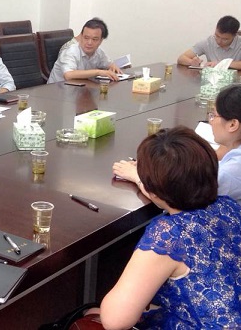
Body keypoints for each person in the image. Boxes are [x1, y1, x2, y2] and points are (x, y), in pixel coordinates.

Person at [100, 127, 241, 329]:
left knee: (94, 313)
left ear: (152, 191)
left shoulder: (170, 235)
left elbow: (115, 321)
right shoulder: (228, 207)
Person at [113, 84, 241, 205]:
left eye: (213, 115)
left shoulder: (230, 171)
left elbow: (174, 199)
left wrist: (136, 175)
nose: (210, 121)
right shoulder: (233, 147)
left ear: (232, 124)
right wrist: (158, 166)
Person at [47, 18, 122, 83]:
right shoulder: (71, 51)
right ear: (81, 36)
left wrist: (113, 66)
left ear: (101, 41)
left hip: (80, 89)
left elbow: (109, 64)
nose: (89, 42)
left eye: (94, 39)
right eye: (86, 38)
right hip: (57, 90)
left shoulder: (99, 52)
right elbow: (68, 75)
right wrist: (98, 72)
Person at [177, 15, 241, 69]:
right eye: (217, 36)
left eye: (225, 39)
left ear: (235, 35)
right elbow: (181, 58)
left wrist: (222, 64)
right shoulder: (208, 42)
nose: (219, 41)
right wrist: (191, 62)